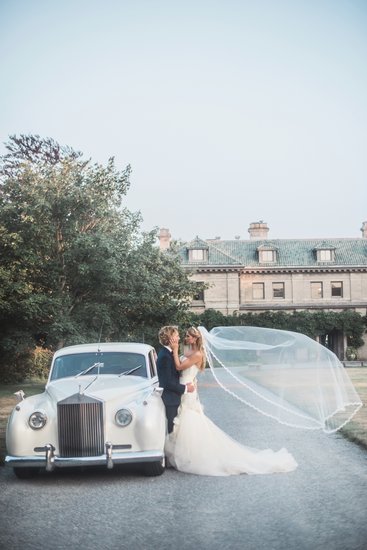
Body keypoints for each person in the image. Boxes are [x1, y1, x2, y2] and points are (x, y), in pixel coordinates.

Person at [165, 326, 298, 476]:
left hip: (187, 390)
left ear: (195, 338)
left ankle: (192, 455)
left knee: (189, 420)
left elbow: (179, 366)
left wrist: (175, 350)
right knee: (183, 420)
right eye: (186, 335)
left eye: (189, 336)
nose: (186, 337)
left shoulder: (197, 354)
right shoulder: (188, 351)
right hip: (185, 386)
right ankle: (184, 453)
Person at [156, 326, 195, 434]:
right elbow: (168, 382)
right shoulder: (165, 356)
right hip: (170, 399)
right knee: (172, 430)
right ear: (170, 339)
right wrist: (186, 388)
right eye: (176, 336)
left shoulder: (168, 353)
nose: (179, 338)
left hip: (173, 397)